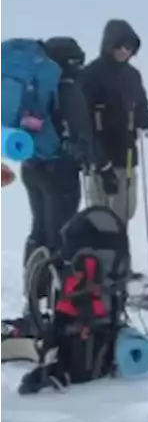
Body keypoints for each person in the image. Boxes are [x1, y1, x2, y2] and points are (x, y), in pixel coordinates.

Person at [4, 38, 99, 266]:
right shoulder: (66, 87)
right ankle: (59, 294)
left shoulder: (34, 87)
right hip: (60, 168)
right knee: (61, 232)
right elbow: (81, 130)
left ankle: (34, 290)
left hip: (31, 165)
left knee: (39, 230)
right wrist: (92, 158)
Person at [81, 19, 148, 240]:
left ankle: (120, 265)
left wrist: (147, 118)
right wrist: (94, 157)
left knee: (124, 211)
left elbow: (141, 106)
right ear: (108, 45)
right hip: (99, 155)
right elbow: (82, 120)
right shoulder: (90, 74)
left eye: (129, 47)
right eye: (119, 46)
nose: (124, 51)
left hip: (126, 153)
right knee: (99, 214)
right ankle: (99, 268)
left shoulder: (132, 75)